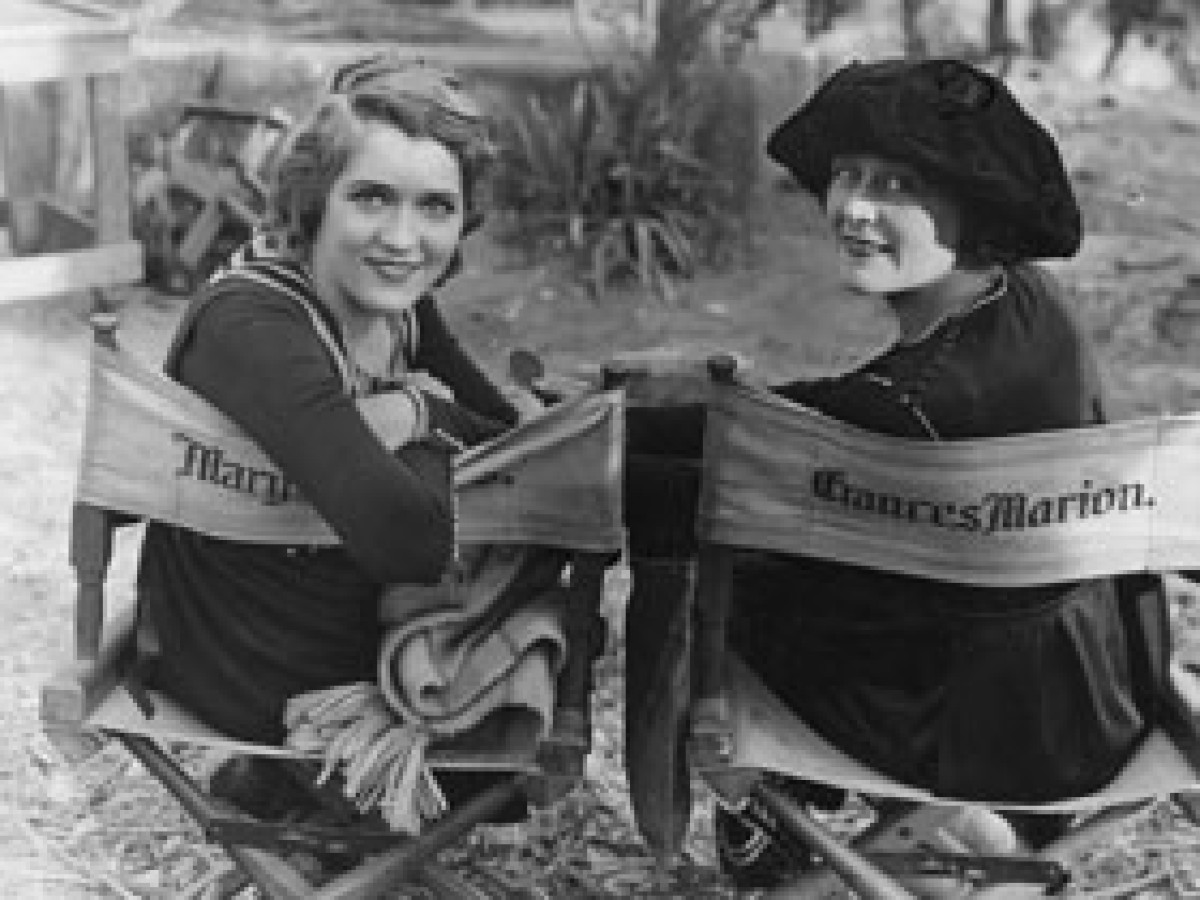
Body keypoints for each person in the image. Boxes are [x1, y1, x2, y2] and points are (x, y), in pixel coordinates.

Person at [621, 57, 1169, 889]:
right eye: (848, 175)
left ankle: (768, 802)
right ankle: (943, 845)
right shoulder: (1027, 305)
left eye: (899, 185)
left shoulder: (905, 409)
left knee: (708, 549)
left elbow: (787, 435)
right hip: (1089, 684)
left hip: (977, 726)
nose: (856, 209)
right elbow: (823, 410)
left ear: (973, 206)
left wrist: (621, 428)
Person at [133, 54, 538, 816]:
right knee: (524, 641)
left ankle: (311, 803)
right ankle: (298, 786)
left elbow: (496, 429)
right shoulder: (252, 325)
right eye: (373, 198)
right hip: (246, 657)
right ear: (316, 199)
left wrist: (418, 414)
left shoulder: (393, 304)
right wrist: (420, 418)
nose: (403, 237)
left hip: (316, 602)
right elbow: (407, 537)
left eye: (435, 208)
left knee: (575, 550)